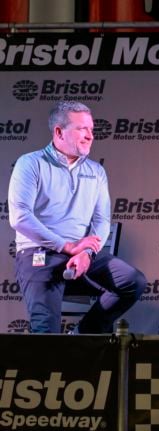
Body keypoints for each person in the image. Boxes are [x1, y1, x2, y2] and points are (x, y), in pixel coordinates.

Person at [8, 101, 146, 334]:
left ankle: (82, 335)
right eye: (82, 129)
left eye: (91, 129)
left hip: (81, 254)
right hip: (38, 253)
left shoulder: (96, 171)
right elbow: (20, 217)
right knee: (45, 332)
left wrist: (88, 252)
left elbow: (102, 221)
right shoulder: (30, 163)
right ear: (59, 132)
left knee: (132, 282)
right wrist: (68, 246)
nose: (90, 136)